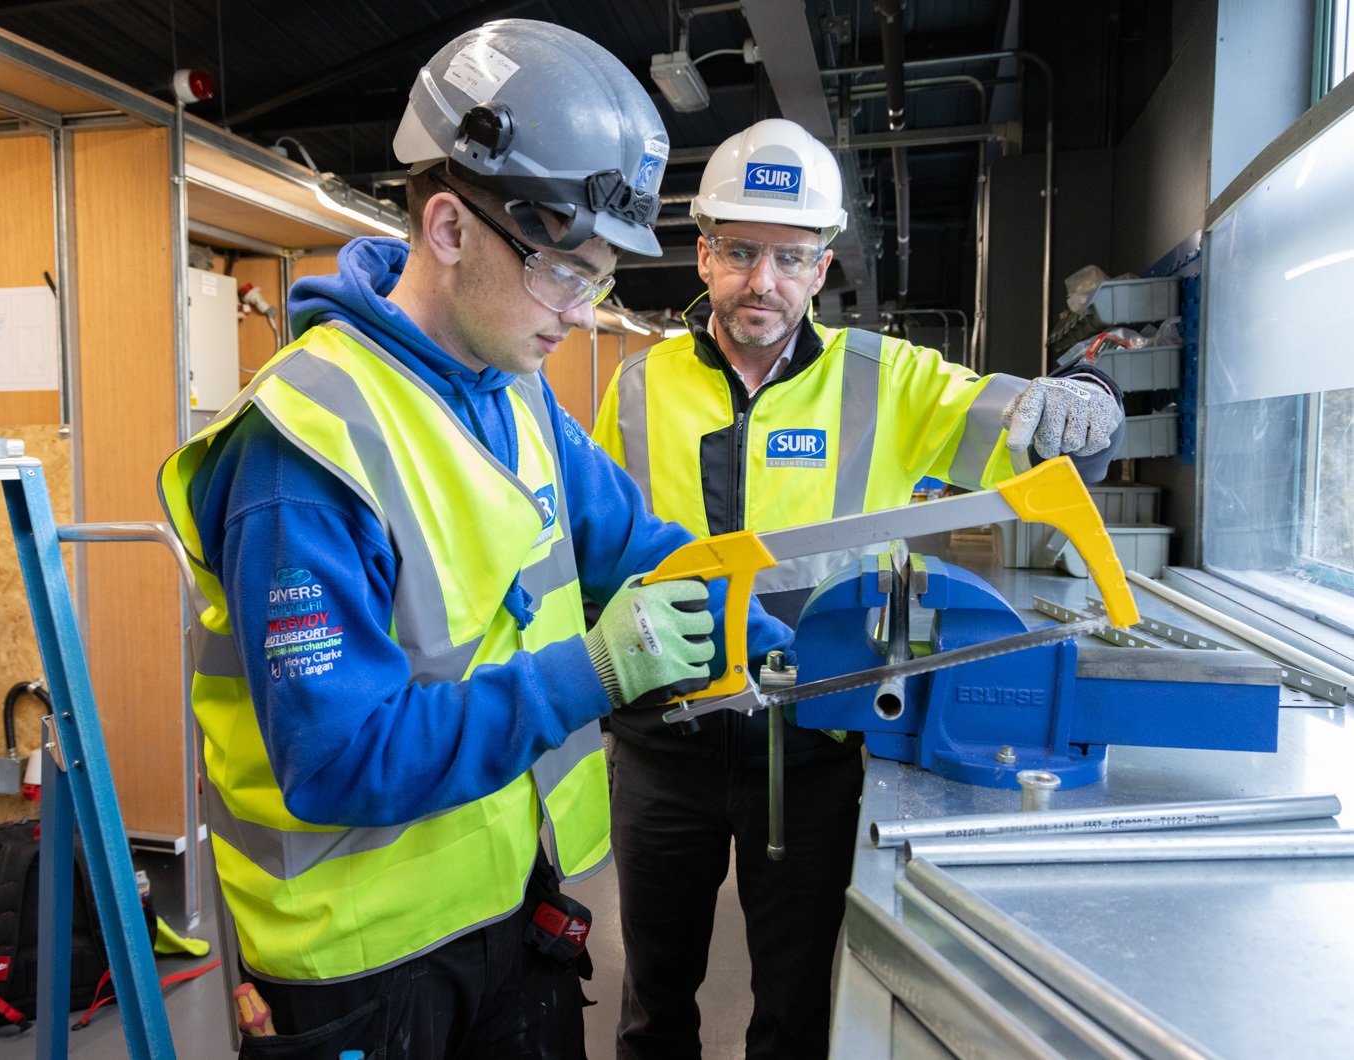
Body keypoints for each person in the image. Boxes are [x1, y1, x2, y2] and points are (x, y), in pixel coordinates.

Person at [157, 22, 790, 1060]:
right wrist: (591, 672)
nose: (581, 314)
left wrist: (751, 620)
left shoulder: (515, 392)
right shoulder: (302, 454)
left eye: (597, 279)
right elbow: (338, 759)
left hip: (505, 904)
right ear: (449, 228)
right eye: (564, 272)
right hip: (364, 963)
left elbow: (633, 539)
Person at [593, 117, 1125, 1060]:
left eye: (791, 258)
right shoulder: (637, 385)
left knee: (796, 1003)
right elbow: (602, 551)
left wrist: (1087, 396)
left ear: (824, 262)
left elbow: (1016, 417)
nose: (764, 281)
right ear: (704, 250)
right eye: (742, 252)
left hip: (813, 744)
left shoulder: (886, 381)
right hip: (660, 741)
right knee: (652, 998)